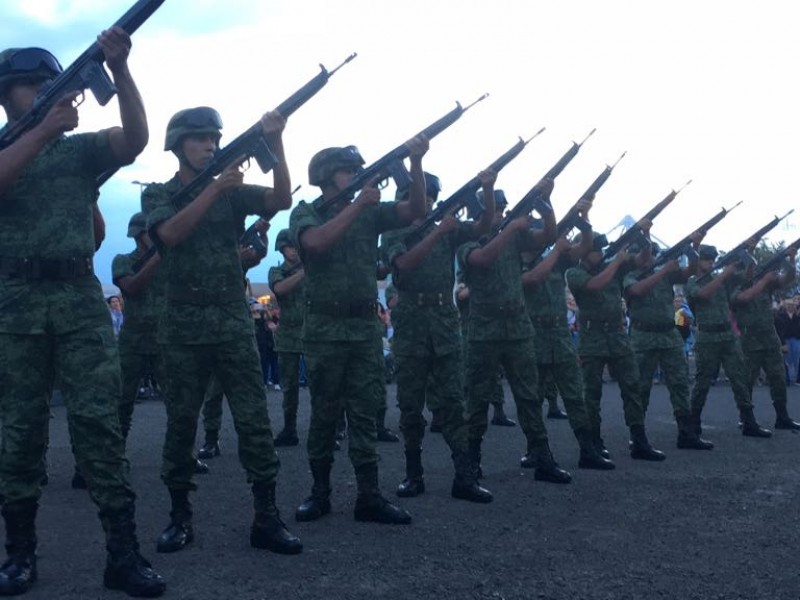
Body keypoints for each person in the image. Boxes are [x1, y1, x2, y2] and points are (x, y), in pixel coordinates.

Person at [0, 35, 165, 596]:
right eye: (34, 85)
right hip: (16, 303)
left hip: (78, 300)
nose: (46, 94)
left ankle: (124, 553)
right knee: (20, 432)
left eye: (51, 84)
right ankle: (19, 555)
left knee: (98, 427)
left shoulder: (76, 151)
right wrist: (45, 127)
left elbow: (135, 139)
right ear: (7, 94)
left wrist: (120, 70)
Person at [144, 105, 301, 555]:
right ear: (177, 145)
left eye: (213, 138)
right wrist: (213, 192)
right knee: (181, 423)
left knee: (253, 419)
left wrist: (277, 141)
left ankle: (266, 517)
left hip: (232, 319)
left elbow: (281, 199)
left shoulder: (232, 191)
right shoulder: (158, 193)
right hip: (183, 323)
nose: (209, 145)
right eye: (198, 138)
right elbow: (169, 235)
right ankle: (179, 517)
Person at [289, 137, 428, 525]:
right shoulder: (307, 212)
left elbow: (416, 210)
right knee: (325, 413)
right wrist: (357, 206)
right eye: (350, 170)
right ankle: (320, 493)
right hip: (324, 327)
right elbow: (315, 244)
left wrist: (415, 163)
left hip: (364, 326)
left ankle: (369, 495)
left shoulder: (370, 211)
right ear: (327, 176)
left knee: (365, 411)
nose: (358, 175)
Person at [379, 170, 494, 502]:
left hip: (444, 322)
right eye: (421, 196)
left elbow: (483, 227)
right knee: (410, 405)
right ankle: (413, 474)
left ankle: (464, 475)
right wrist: (437, 230)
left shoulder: (448, 228)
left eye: (431, 196)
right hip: (412, 322)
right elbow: (403, 265)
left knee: (453, 402)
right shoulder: (395, 231)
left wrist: (486, 191)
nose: (427, 201)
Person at [458, 183, 574, 483]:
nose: (503, 214)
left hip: (518, 327)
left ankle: (542, 456)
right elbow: (482, 259)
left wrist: (546, 208)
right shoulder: (466, 241)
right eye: (497, 209)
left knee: (529, 395)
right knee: (477, 399)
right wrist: (509, 229)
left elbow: (546, 237)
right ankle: (470, 462)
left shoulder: (514, 236)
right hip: (484, 329)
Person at [521, 205, 615, 470]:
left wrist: (584, 221)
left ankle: (588, 449)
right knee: (532, 398)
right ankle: (535, 450)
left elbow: (585, 246)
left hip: (559, 333)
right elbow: (532, 280)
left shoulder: (559, 259)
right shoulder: (520, 260)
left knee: (575, 394)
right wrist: (557, 250)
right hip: (533, 334)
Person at [565, 232, 665, 461]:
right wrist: (617, 261)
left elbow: (643, 259)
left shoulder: (614, 266)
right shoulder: (574, 272)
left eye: (601, 250)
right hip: (592, 335)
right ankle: (594, 443)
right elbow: (595, 285)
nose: (600, 254)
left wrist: (644, 237)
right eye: (595, 250)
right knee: (591, 393)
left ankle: (639, 440)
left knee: (633, 387)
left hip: (617, 334)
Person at [623, 237, 713, 450]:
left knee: (680, 384)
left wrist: (693, 249)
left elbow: (689, 271)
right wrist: (662, 271)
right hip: (643, 335)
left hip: (668, 334)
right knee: (640, 387)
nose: (649, 257)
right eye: (646, 254)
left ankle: (686, 433)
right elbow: (635, 291)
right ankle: (637, 437)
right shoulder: (628, 274)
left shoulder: (664, 273)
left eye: (652, 254)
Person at [685, 244, 771, 439]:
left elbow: (748, 278)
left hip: (727, 336)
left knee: (740, 378)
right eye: (706, 258)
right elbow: (702, 294)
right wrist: (725, 273)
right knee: (702, 382)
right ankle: (693, 422)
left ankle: (748, 420)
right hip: (707, 337)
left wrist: (747, 258)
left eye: (712, 259)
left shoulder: (721, 278)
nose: (710, 262)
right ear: (698, 260)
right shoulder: (692, 281)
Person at [731, 247, 799, 429]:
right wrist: (764, 281)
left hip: (769, 337)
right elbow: (744, 298)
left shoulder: (766, 284)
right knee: (747, 380)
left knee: (778, 377)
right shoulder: (735, 287)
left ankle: (782, 416)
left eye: (754, 267)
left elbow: (788, 278)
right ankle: (746, 417)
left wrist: (790, 260)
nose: (752, 270)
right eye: (749, 267)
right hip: (749, 339)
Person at [268, 229, 306, 446]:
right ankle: (289, 429)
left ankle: (335, 429)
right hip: (289, 335)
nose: (294, 251)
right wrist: (304, 271)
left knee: (324, 384)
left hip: (313, 332)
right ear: (282, 249)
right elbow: (280, 289)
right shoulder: (276, 271)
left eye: (296, 246)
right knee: (289, 388)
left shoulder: (311, 268)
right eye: (290, 246)